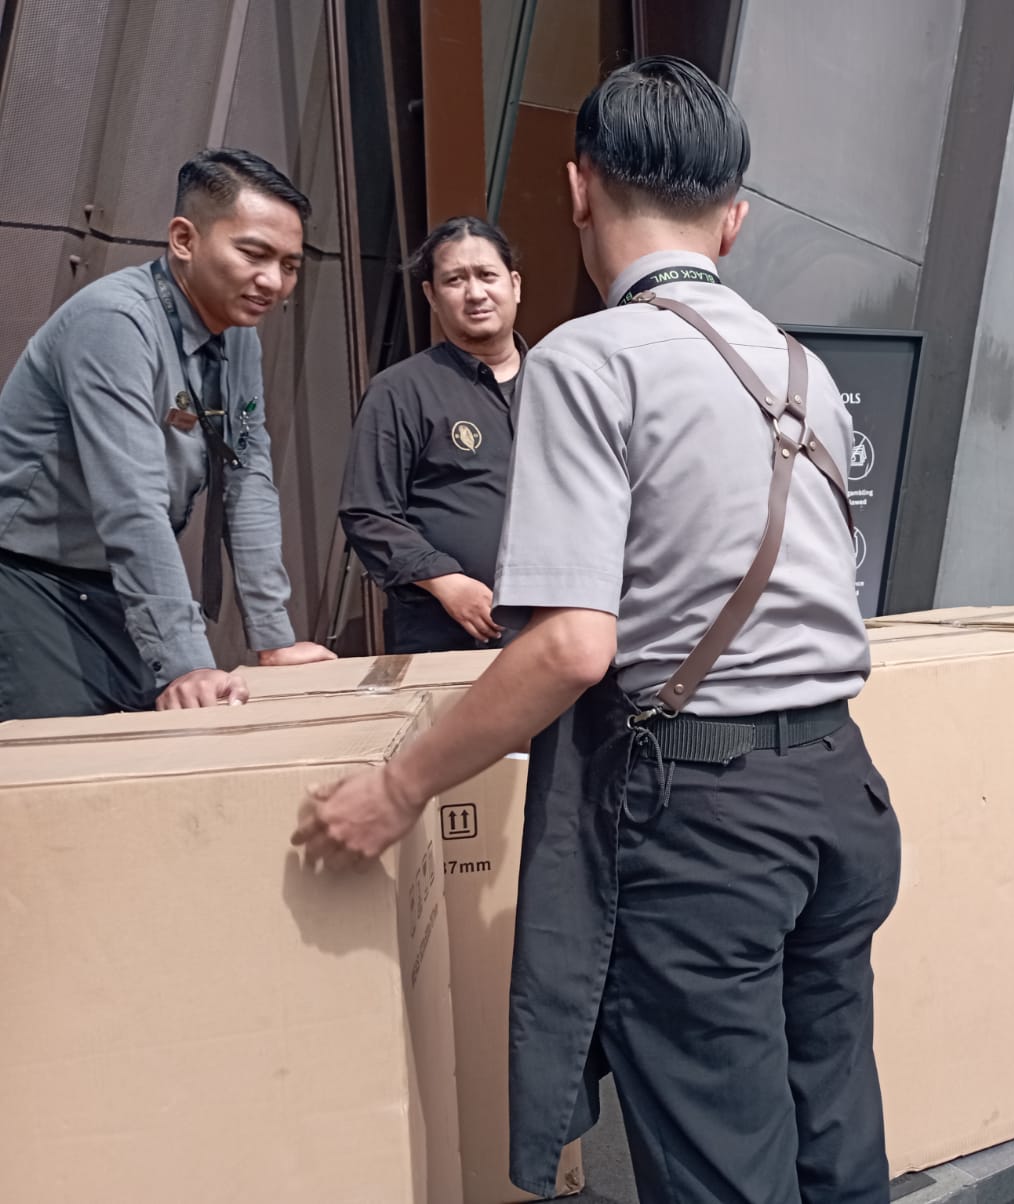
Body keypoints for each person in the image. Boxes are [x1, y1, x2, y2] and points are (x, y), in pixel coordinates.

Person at [293, 56, 901, 1202]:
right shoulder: (801, 369)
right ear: (734, 219)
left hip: (708, 821)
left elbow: (574, 644)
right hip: (841, 792)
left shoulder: (587, 358)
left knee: (723, 1162)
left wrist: (400, 784)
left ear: (578, 189)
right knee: (834, 1129)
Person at [0, 148, 335, 720]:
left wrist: (273, 638)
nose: (273, 282)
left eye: (290, 265)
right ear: (184, 239)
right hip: (29, 582)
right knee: (63, 764)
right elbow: (131, 501)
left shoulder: (239, 335)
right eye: (254, 254)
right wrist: (186, 663)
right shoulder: (115, 321)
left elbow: (248, 479)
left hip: (118, 589)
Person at [339, 217, 526, 653]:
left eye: (487, 275)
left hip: (556, 635)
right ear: (431, 295)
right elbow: (368, 512)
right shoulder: (400, 390)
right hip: (447, 635)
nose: (475, 293)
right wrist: (446, 581)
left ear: (514, 285)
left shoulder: (560, 382)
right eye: (455, 280)